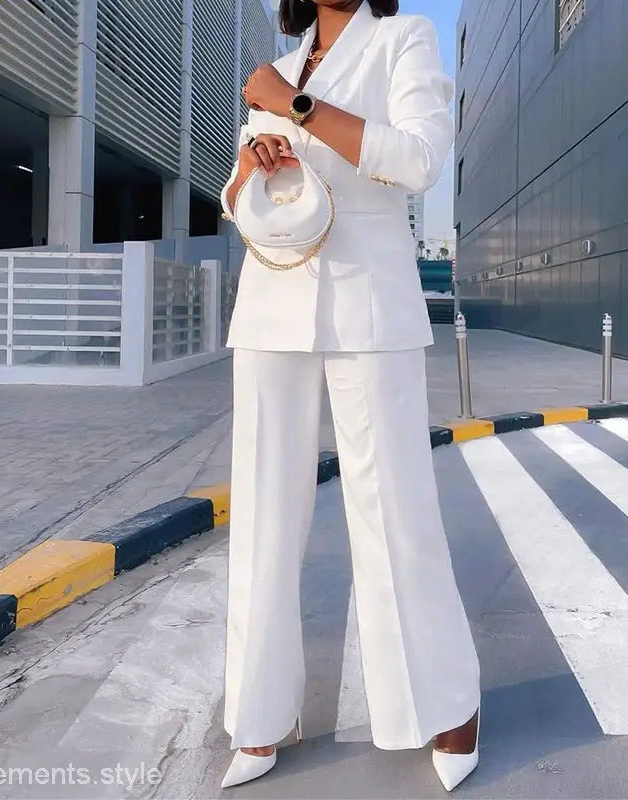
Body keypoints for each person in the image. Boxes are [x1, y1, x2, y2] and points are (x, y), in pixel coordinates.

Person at [219, 0, 481, 791]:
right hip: (271, 297)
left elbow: (420, 158)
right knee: (262, 512)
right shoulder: (284, 60)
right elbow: (237, 203)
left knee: (394, 508)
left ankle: (446, 706)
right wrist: (256, 158)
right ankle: (261, 716)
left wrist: (294, 107)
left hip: (372, 298)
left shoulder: (404, 38)